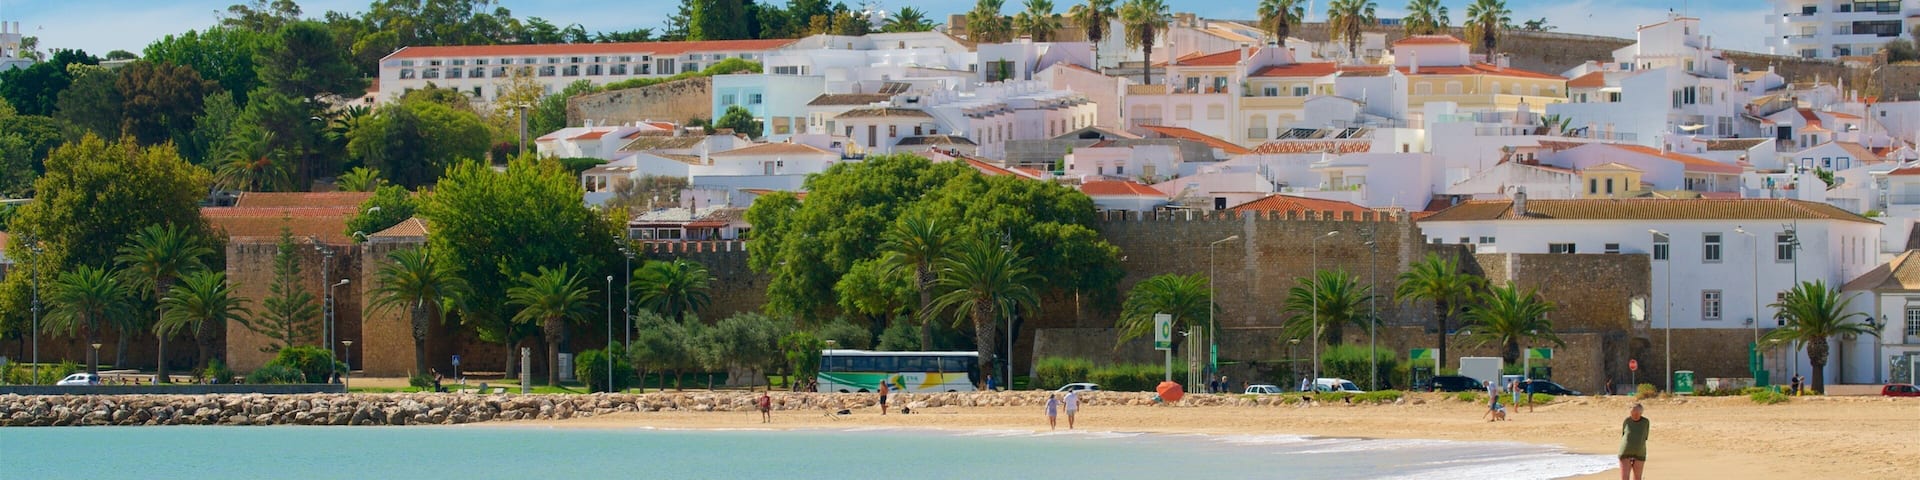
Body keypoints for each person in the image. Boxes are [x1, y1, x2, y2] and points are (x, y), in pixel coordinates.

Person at [1618, 403, 1650, 480]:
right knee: (1624, 478)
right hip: (1625, 451)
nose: (1635, 415)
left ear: (1641, 413)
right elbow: (1623, 434)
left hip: (1640, 452)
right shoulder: (1627, 421)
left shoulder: (1645, 422)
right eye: (1632, 413)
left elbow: (1645, 436)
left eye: (1637, 413)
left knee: (1637, 477)